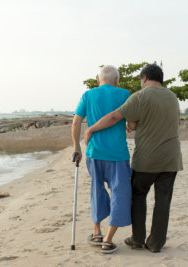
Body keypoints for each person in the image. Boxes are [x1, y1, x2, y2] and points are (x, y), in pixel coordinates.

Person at [84, 63, 183, 253]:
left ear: (144, 78)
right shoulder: (172, 97)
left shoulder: (141, 96)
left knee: (138, 197)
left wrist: (91, 128)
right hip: (171, 159)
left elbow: (114, 117)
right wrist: (134, 124)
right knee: (163, 201)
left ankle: (137, 240)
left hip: (146, 160)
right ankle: (155, 243)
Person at [72, 65, 135, 254]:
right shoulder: (124, 93)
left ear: (98, 81)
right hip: (117, 154)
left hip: (94, 153)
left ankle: (96, 231)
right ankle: (107, 240)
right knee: (120, 193)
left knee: (96, 189)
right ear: (116, 80)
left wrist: (76, 147)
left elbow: (76, 121)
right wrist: (129, 125)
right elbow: (132, 122)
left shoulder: (88, 95)